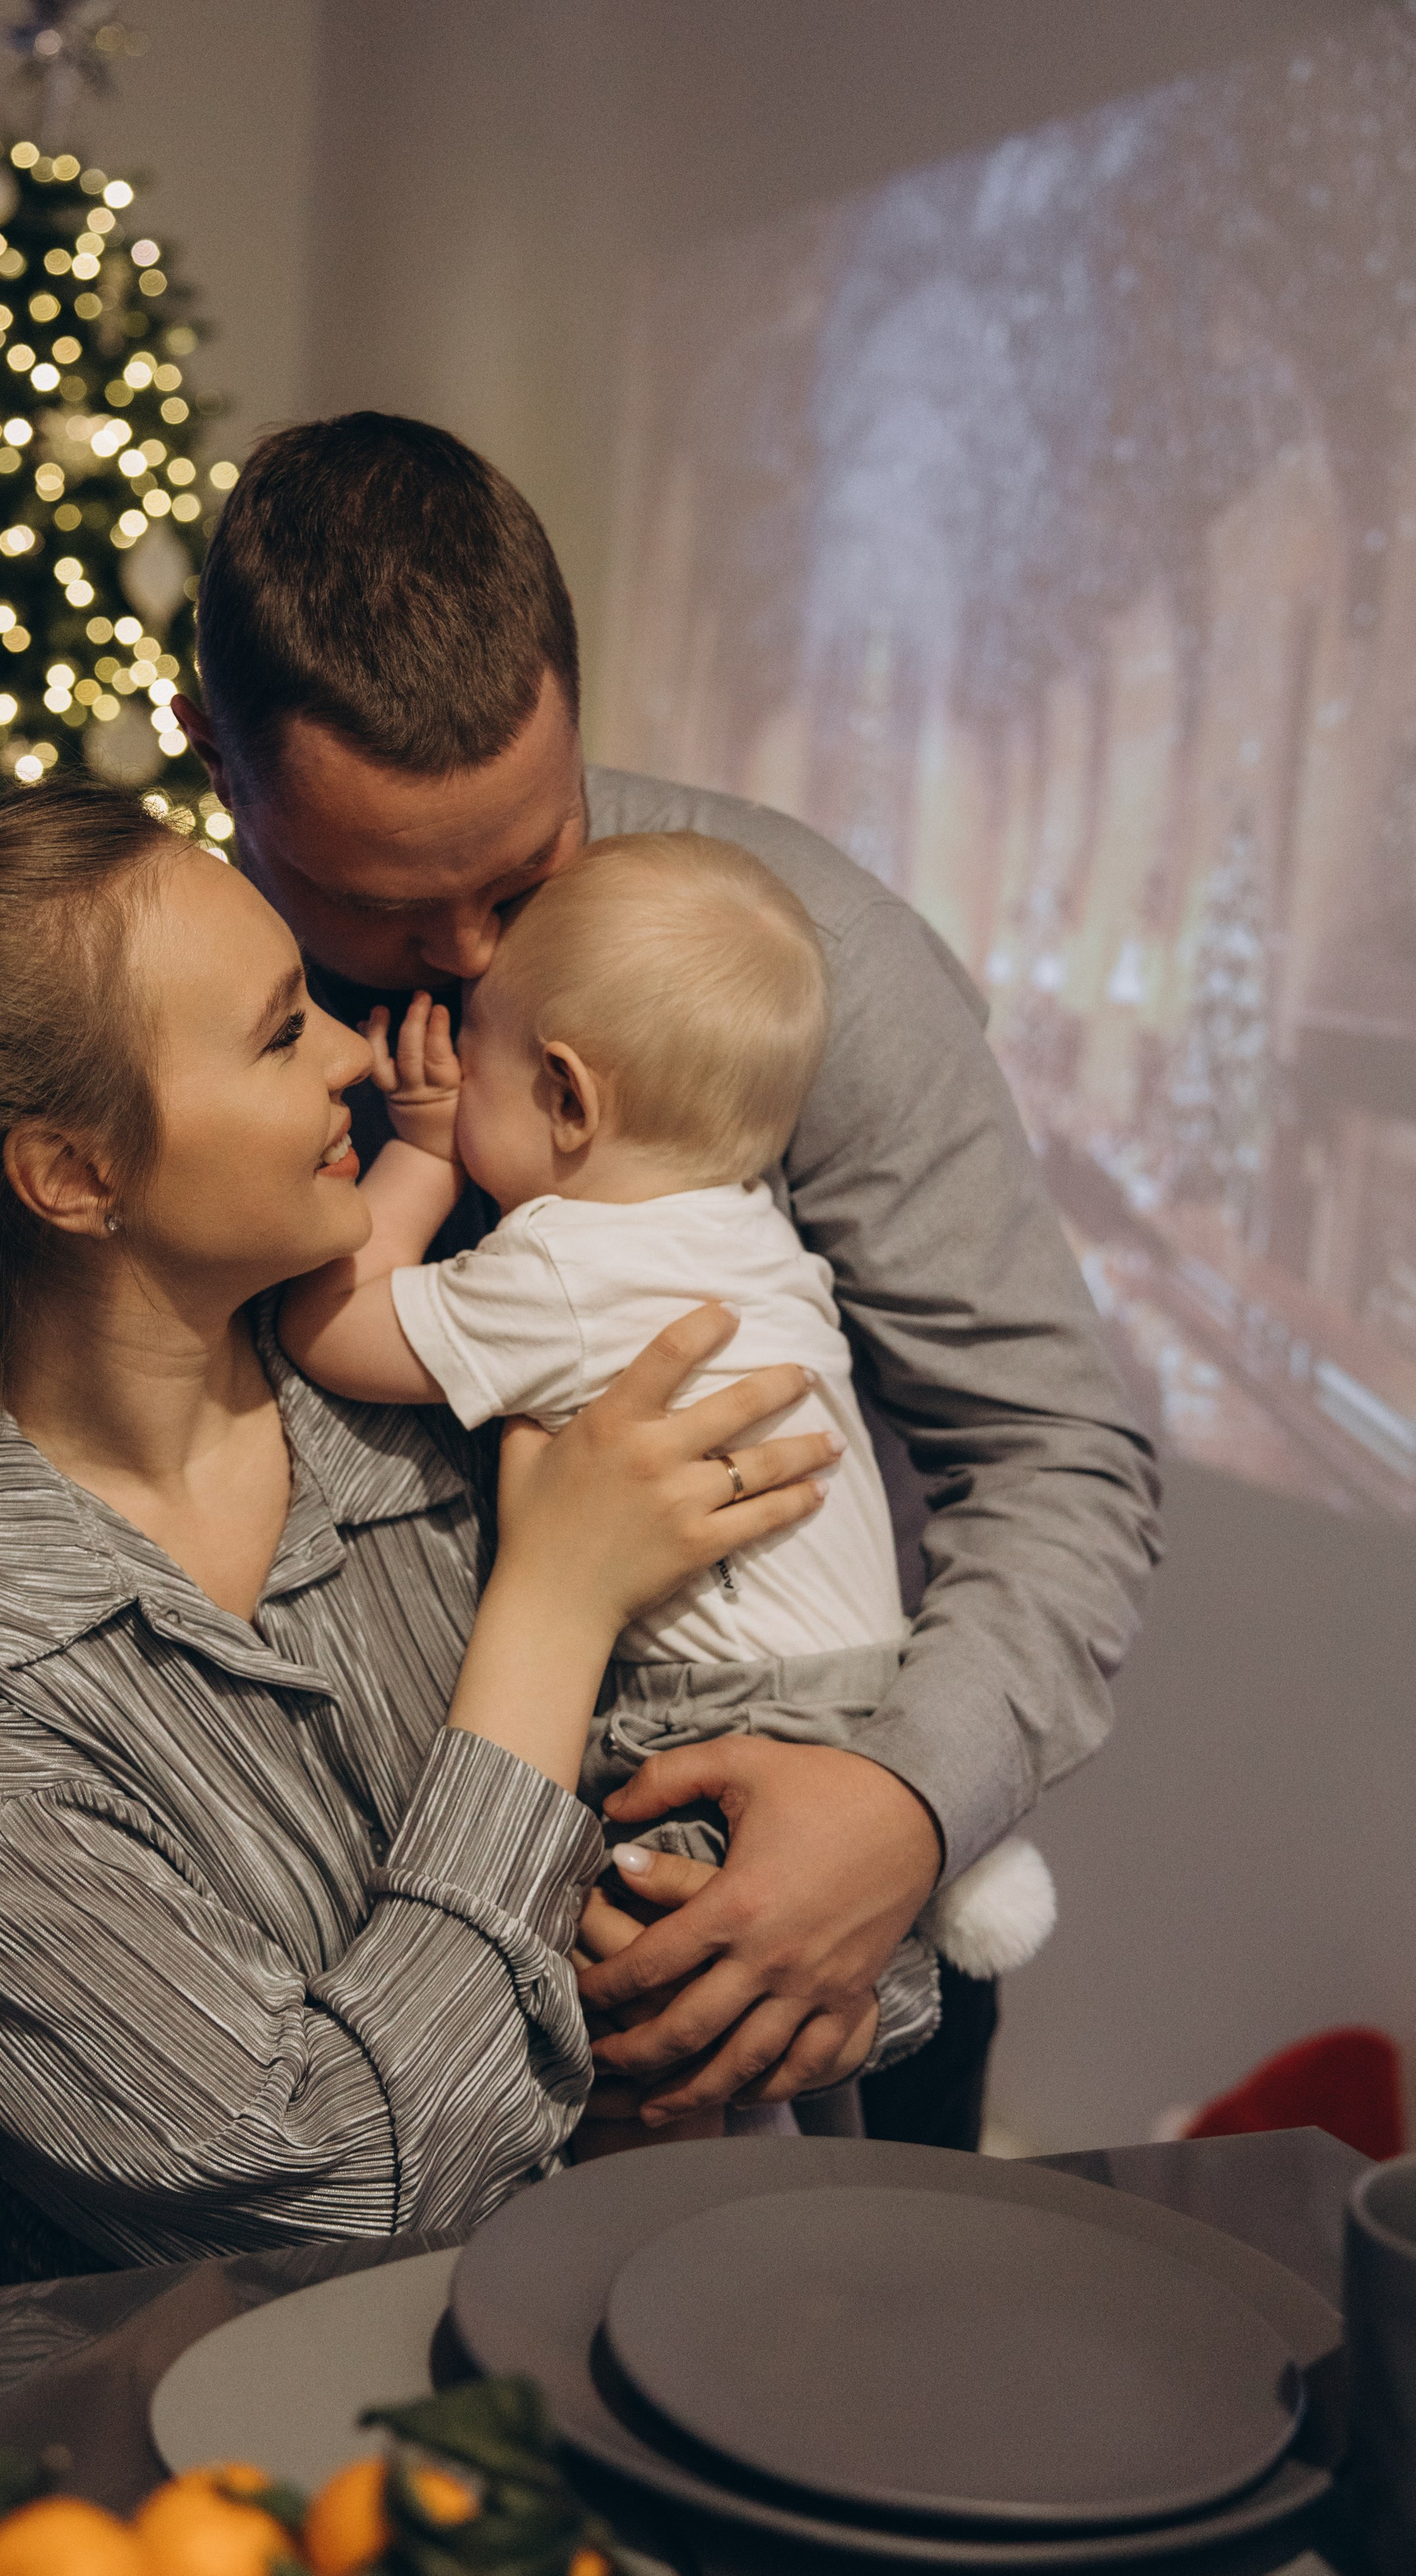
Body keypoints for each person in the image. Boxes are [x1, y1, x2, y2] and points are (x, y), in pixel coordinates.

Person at [0, 781, 835, 2328]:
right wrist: (552, 1606)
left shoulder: (461, 1404)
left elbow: (805, 1898)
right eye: (278, 1035)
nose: (358, 1053)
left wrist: (805, 1920)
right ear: (77, 1176)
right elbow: (338, 2185)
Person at [176, 412, 1163, 2150]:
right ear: (215, 763)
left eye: (524, 870)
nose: (468, 961)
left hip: (813, 1886)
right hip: (346, 1967)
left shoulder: (802, 958)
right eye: (385, 907)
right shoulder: (143, 1001)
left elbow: (1054, 1455)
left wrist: (898, 1807)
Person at [278, 831, 1056, 2146]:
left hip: (719, 1723)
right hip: (869, 1697)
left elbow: (333, 1329)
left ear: (568, 1098)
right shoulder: (748, 1223)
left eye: (478, 1055)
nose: (455, 1074)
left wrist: (422, 1149)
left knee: (655, 2042)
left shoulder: (569, 1266)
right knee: (804, 2064)